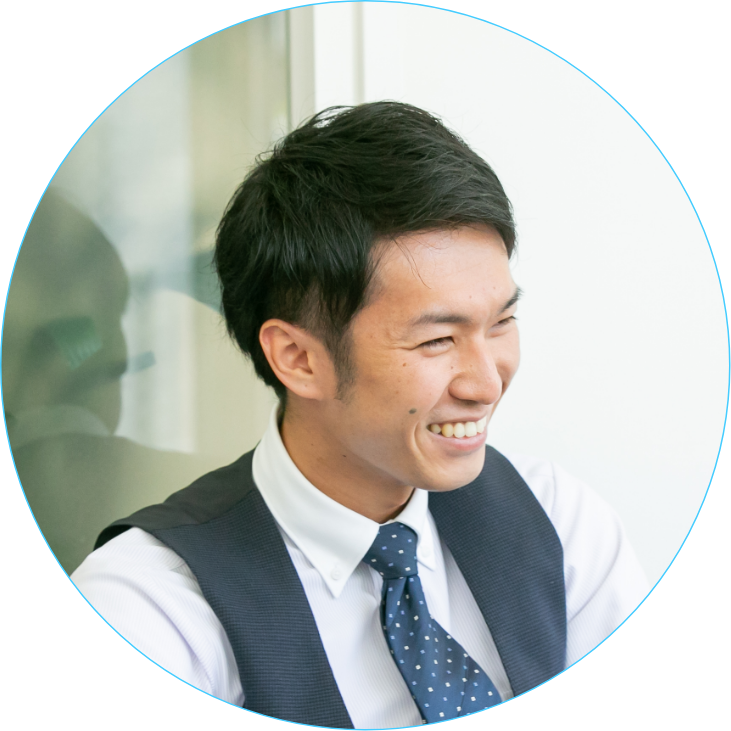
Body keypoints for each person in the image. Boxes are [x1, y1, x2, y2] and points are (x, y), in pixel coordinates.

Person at [71, 102, 649, 727]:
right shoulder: (154, 605)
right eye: (437, 340)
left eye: (502, 322)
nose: (487, 383)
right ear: (298, 358)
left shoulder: (557, 522)